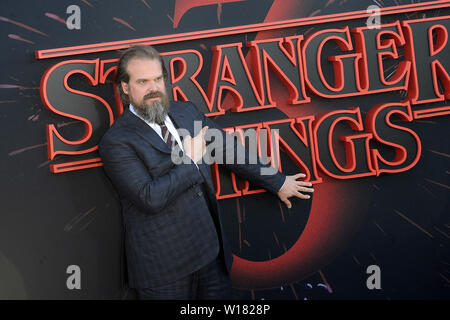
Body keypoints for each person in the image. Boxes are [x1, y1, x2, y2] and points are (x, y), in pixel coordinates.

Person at [98, 45, 314, 300]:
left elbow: (227, 148)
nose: (153, 88)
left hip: (210, 254)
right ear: (125, 87)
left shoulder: (185, 111)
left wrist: (277, 182)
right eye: (142, 81)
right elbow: (150, 198)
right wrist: (190, 159)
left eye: (158, 79)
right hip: (164, 269)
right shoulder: (116, 141)